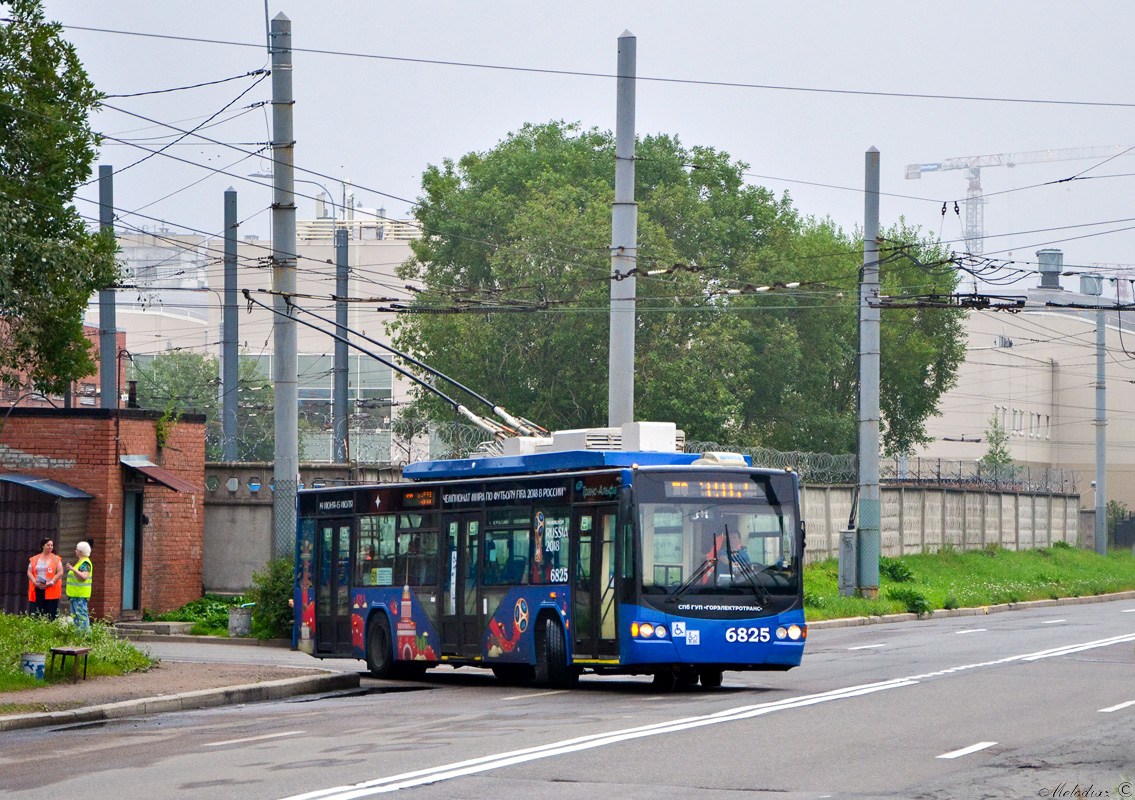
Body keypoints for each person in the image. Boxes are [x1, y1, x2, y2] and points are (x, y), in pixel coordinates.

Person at [27, 537, 64, 620]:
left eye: (51, 545)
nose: (50, 547)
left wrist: (51, 583)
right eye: (48, 545)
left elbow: (60, 572)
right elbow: (29, 572)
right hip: (37, 588)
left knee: (51, 614)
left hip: (51, 589)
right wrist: (34, 581)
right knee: (37, 612)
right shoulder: (35, 559)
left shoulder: (56, 559)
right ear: (43, 546)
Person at [65, 541, 94, 633]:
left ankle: (86, 635)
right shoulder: (80, 562)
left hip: (80, 595)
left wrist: (73, 569)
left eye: (77, 549)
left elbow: (84, 577)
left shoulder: (85, 563)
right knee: (76, 617)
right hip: (75, 595)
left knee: (81, 616)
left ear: (80, 551)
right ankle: (78, 636)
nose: (75, 551)